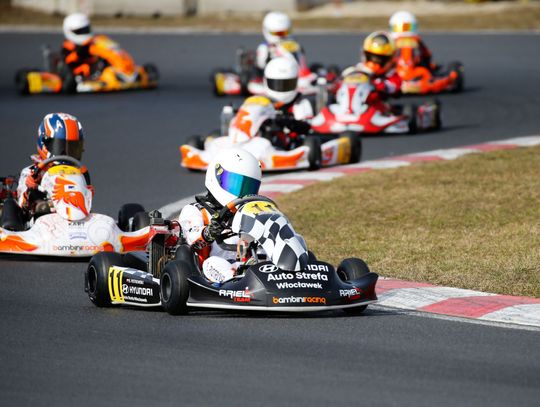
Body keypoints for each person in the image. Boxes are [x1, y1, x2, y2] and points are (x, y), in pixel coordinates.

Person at [178, 148, 262, 284]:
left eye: (248, 188)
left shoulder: (249, 212)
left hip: (245, 264)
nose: (240, 193)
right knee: (212, 263)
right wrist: (208, 232)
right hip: (212, 268)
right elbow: (192, 238)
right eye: (234, 183)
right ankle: (233, 283)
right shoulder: (195, 211)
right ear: (216, 177)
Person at [16, 113, 91, 220]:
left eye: (73, 147)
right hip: (38, 223)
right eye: (60, 147)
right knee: (11, 208)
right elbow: (22, 205)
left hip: (73, 218)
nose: (66, 154)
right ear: (44, 143)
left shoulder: (79, 173)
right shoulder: (31, 172)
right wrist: (30, 189)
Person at [342, 31, 402, 103]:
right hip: (353, 105)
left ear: (389, 59)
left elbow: (393, 87)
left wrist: (375, 84)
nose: (374, 62)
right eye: (371, 57)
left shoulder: (392, 75)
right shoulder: (357, 70)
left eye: (379, 59)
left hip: (379, 108)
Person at [61, 13, 98, 79]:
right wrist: (80, 52)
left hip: (93, 67)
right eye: (80, 31)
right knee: (85, 68)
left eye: (85, 30)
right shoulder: (68, 46)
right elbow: (68, 61)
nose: (84, 33)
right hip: (75, 74)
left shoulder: (92, 43)